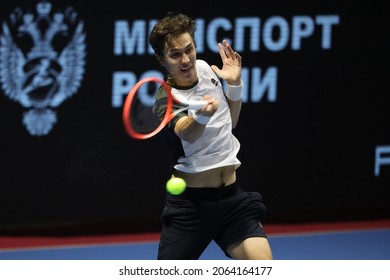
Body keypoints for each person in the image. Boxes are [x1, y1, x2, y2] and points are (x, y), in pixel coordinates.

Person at [149, 11, 273, 260]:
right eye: (175, 54)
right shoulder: (165, 99)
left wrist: (235, 84)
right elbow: (187, 132)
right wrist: (202, 116)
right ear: (162, 59)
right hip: (190, 209)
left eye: (189, 49)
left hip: (232, 200)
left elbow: (231, 121)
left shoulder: (206, 69)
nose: (186, 60)